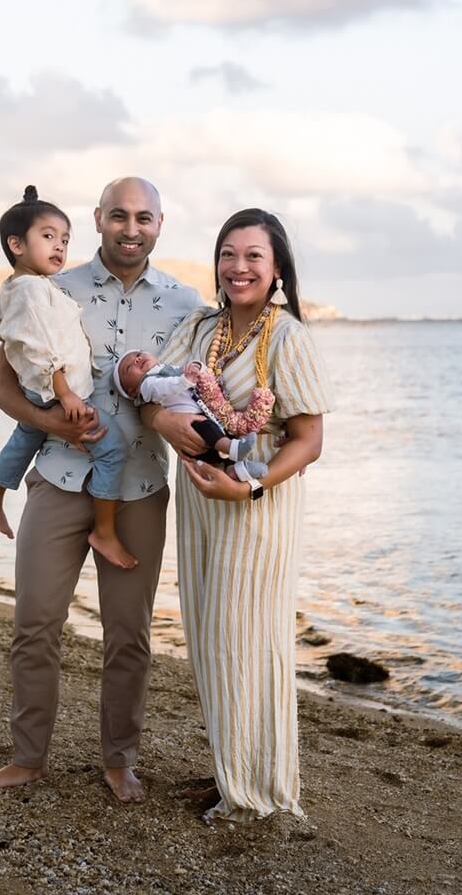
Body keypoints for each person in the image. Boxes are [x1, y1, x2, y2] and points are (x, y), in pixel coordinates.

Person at [0, 177, 202, 802]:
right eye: (118, 215)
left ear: (159, 224)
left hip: (140, 487)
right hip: (59, 481)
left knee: (130, 634)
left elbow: (197, 392)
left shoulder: (186, 304)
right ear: (98, 219)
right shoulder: (48, 288)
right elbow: (1, 387)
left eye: (143, 217)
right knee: (34, 624)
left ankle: (119, 760)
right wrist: (52, 422)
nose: (130, 228)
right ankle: (26, 757)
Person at [143, 208, 334, 822]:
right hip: (201, 510)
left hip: (256, 510)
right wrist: (161, 420)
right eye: (229, 253)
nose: (239, 266)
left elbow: (308, 440)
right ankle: (235, 774)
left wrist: (248, 488)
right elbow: (149, 393)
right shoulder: (202, 330)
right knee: (211, 642)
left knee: (251, 641)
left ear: (277, 268)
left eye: (254, 255)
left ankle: (261, 792)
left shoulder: (287, 337)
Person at [0, 185, 135, 570]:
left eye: (64, 239)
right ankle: (105, 531)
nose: (59, 247)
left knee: (26, 433)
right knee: (113, 449)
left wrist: (16, 341)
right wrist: (66, 396)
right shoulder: (32, 292)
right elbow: (47, 350)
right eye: (48, 237)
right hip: (61, 392)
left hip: (42, 391)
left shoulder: (18, 287)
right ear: (16, 244)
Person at [113, 350, 268, 481]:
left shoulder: (166, 369)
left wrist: (195, 367)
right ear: (132, 391)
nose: (137, 359)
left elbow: (187, 371)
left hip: (200, 417)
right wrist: (184, 380)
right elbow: (164, 387)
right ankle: (231, 448)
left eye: (138, 354)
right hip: (189, 428)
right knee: (209, 429)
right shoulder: (147, 385)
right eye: (129, 367)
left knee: (220, 433)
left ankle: (237, 470)